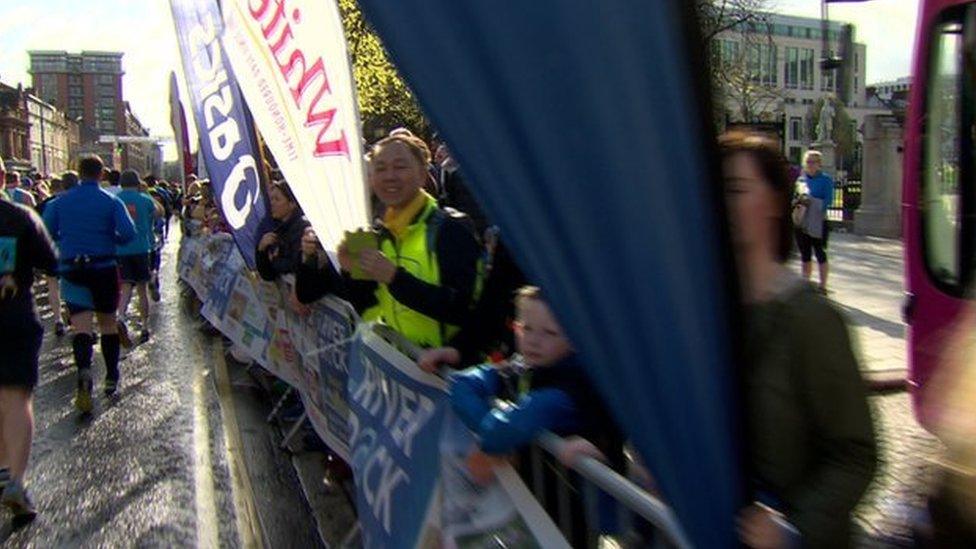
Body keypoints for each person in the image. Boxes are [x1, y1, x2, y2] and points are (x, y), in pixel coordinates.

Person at [719, 131, 877, 548]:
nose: (720, 201)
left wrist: (793, 527)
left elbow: (855, 454)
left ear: (773, 202)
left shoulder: (812, 319)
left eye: (735, 189)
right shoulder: (704, 317)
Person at [427, 286, 624, 547]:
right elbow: (463, 384)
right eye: (527, 329)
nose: (533, 341)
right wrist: (490, 427)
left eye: (550, 333)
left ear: (574, 338)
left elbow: (517, 423)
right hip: (531, 504)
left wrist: (493, 437)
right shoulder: (522, 365)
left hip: (571, 512)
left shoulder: (572, 384)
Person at [295, 134, 483, 354]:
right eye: (381, 169)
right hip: (397, 377)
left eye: (400, 167)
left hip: (445, 378)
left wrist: (395, 278)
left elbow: (469, 311)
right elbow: (368, 311)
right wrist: (348, 272)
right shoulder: (371, 235)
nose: (389, 176)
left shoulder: (451, 228)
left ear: (423, 174)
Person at [43, 155, 136, 411]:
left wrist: (65, 240)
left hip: (73, 268)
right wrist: (111, 239)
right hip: (104, 267)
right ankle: (111, 377)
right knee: (107, 325)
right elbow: (129, 233)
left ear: (78, 172)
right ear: (101, 174)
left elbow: (46, 231)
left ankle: (84, 372)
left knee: (81, 327)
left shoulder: (60, 202)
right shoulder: (111, 201)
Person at [0, 158, 58, 520]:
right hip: (12, 317)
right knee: (16, 397)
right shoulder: (21, 217)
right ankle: (16, 481)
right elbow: (52, 263)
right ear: (4, 177)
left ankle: (3, 471)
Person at [116, 170, 162, 344]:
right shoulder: (144, 199)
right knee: (142, 290)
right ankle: (144, 327)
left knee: (126, 286)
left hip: (121, 249)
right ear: (137, 183)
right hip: (142, 247)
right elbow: (160, 212)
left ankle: (121, 317)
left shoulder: (116, 200)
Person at [37, 172, 80, 337]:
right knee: (75, 284)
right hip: (75, 250)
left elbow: (44, 229)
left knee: (53, 285)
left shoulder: (51, 204)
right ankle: (75, 316)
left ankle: (57, 320)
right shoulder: (81, 204)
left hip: (53, 249)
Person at [794, 150, 834, 294]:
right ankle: (806, 282)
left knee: (820, 253)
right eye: (808, 162)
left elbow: (829, 200)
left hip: (819, 221)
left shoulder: (826, 180)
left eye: (813, 162)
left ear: (819, 164)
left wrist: (812, 203)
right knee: (805, 254)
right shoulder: (801, 180)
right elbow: (796, 197)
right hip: (802, 221)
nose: (810, 165)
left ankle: (823, 285)